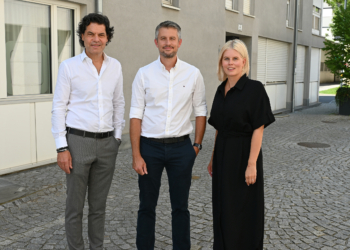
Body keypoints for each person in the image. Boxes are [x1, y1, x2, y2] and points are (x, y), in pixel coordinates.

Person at [129, 21, 207, 250]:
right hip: (149, 149)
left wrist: (196, 146)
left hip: (182, 149)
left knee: (180, 207)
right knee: (146, 206)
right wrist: (136, 154)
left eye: (172, 38)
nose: (168, 43)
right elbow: (135, 115)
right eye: (163, 38)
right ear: (156, 42)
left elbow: (201, 111)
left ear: (179, 42)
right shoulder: (144, 74)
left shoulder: (193, 74)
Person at [51, 13, 125, 250]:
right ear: (82, 36)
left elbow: (119, 103)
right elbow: (58, 108)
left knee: (99, 206)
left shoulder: (115, 66)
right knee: (75, 207)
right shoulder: (69, 67)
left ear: (107, 38)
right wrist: (62, 147)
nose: (96, 39)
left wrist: (117, 137)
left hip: (107, 145)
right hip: (77, 142)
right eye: (91, 34)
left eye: (101, 34)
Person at [207, 40, 275, 250]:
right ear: (221, 62)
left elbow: (258, 127)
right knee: (223, 207)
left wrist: (252, 163)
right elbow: (219, 127)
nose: (230, 63)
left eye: (235, 58)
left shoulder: (254, 89)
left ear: (243, 61)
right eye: (226, 59)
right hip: (222, 157)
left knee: (244, 209)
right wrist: (212, 157)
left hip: (244, 154)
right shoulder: (221, 90)